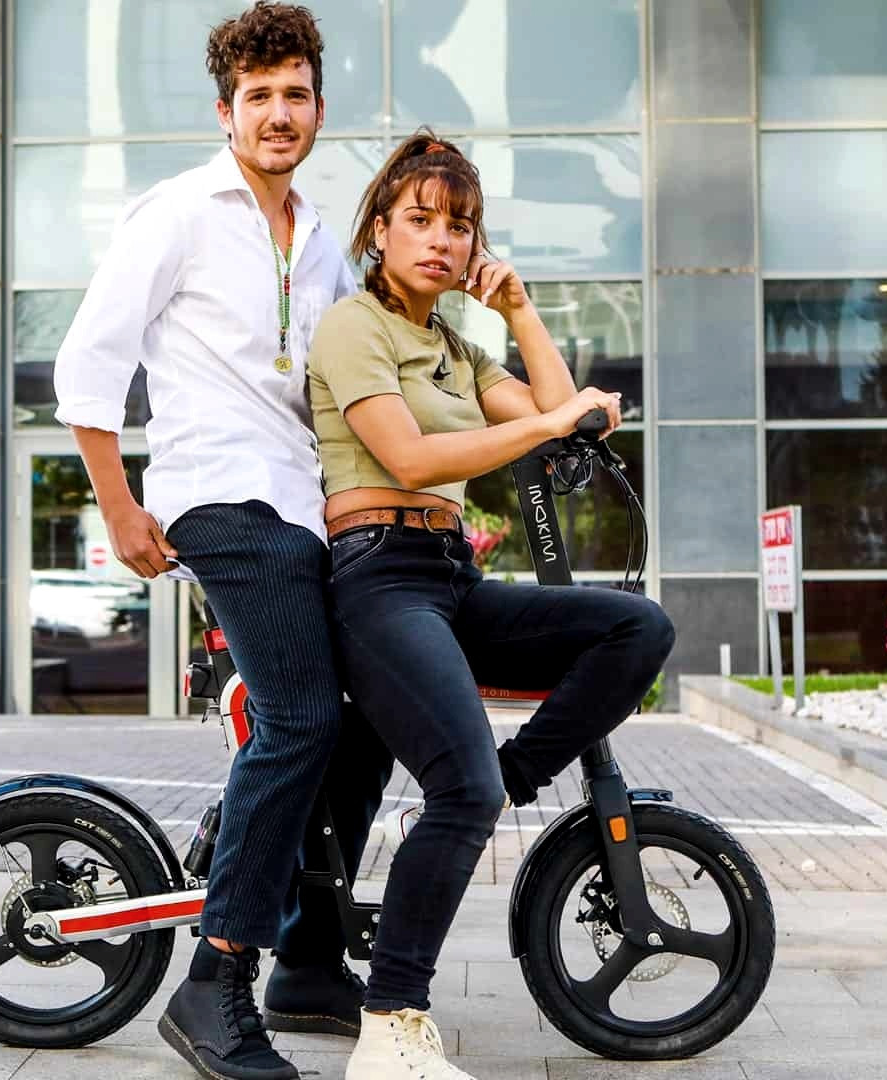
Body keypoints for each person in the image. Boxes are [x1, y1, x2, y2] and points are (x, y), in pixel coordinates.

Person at [52, 5, 391, 1079]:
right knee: (299, 718)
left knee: (371, 711)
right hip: (219, 496)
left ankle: (309, 956)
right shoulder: (179, 214)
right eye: (259, 97)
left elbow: (357, 383)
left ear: (319, 109)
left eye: (296, 95)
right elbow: (89, 364)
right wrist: (119, 508)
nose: (278, 113)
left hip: (305, 506)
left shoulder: (325, 240)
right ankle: (215, 980)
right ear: (226, 112)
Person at [304, 130, 677, 1080]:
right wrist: (551, 420)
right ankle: (391, 1026)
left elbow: (564, 419)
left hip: (447, 575)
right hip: (376, 576)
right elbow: (411, 459)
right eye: (421, 219)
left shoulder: (458, 347)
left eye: (460, 226)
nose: (442, 239)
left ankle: (503, 784)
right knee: (457, 788)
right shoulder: (355, 326)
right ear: (380, 230)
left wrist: (517, 307)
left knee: (637, 627)